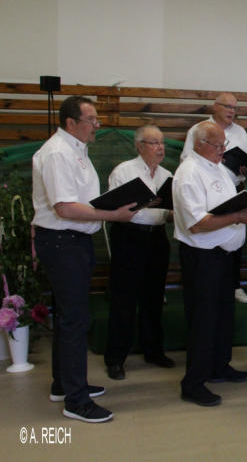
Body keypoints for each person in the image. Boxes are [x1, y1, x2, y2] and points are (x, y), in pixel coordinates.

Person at [32, 95, 138, 423]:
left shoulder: (75, 150)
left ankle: (63, 384)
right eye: (91, 120)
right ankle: (76, 401)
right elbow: (64, 208)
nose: (97, 125)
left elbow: (79, 200)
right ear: (71, 123)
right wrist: (113, 214)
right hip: (63, 242)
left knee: (70, 316)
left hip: (73, 241)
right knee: (75, 320)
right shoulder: (58, 152)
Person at [173, 121, 247, 406]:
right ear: (200, 144)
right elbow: (197, 224)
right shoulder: (189, 173)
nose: (224, 149)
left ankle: (219, 365)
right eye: (218, 145)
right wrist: (238, 217)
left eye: (225, 144)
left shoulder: (219, 168)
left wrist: (246, 209)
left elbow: (226, 205)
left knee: (223, 315)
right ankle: (193, 383)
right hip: (202, 256)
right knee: (203, 319)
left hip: (224, 254)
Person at [104, 125, 175, 381]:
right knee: (124, 298)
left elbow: (167, 211)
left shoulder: (167, 175)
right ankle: (116, 358)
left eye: (162, 142)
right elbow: (114, 209)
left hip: (157, 236)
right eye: (154, 143)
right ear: (139, 146)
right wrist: (145, 204)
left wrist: (173, 212)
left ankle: (153, 350)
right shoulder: (124, 171)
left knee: (154, 296)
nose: (160, 148)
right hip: (129, 236)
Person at [181, 92, 247, 304]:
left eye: (235, 108)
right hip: (207, 190)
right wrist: (214, 163)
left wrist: (244, 168)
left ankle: (235, 285)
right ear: (215, 107)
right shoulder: (199, 130)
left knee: (234, 235)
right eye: (227, 106)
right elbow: (188, 157)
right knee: (213, 233)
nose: (232, 111)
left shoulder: (240, 132)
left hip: (232, 186)